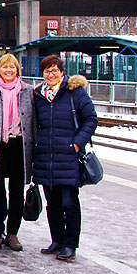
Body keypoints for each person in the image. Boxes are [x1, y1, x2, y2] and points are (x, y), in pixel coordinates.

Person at [32, 55, 97, 262]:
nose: (50, 75)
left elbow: (91, 119)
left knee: (69, 202)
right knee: (52, 204)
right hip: (46, 157)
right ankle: (57, 240)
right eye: (46, 71)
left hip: (68, 156)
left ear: (61, 72)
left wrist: (77, 142)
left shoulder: (74, 92)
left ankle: (70, 244)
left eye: (54, 70)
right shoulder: (39, 95)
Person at [0, 53, 35, 252]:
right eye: (5, 67)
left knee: (17, 191)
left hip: (19, 145)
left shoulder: (28, 91)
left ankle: (12, 233)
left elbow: (34, 122)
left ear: (17, 70)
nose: (9, 70)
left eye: (12, 67)